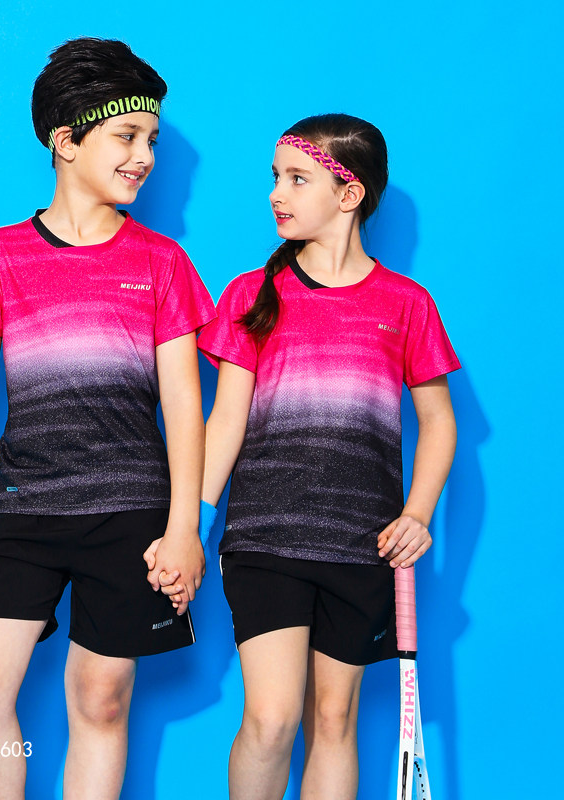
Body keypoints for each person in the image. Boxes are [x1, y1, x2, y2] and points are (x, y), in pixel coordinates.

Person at [0, 37, 215, 800]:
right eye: (127, 136)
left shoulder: (164, 263)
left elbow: (185, 404)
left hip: (130, 513)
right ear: (66, 141)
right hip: (23, 511)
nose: (144, 157)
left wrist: (185, 528)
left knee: (100, 699)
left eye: (152, 140)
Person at [192, 113, 459, 799]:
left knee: (334, 720)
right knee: (271, 718)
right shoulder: (251, 294)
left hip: (361, 547)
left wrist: (418, 514)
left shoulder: (406, 304)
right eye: (275, 178)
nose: (276, 194)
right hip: (264, 541)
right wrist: (191, 524)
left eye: (297, 179)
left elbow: (438, 422)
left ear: (349, 194)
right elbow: (225, 421)